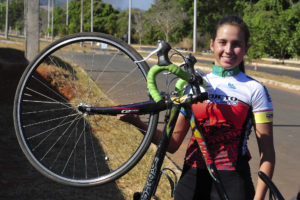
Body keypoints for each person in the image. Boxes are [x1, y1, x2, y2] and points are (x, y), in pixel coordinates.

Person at [119, 15, 275, 200]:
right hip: (191, 180)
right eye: (222, 42)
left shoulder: (255, 90)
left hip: (234, 183)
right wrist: (136, 122)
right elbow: (172, 144)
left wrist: (259, 198)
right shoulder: (194, 84)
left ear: (246, 49)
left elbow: (268, 154)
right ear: (212, 44)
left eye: (236, 44)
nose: (228, 50)